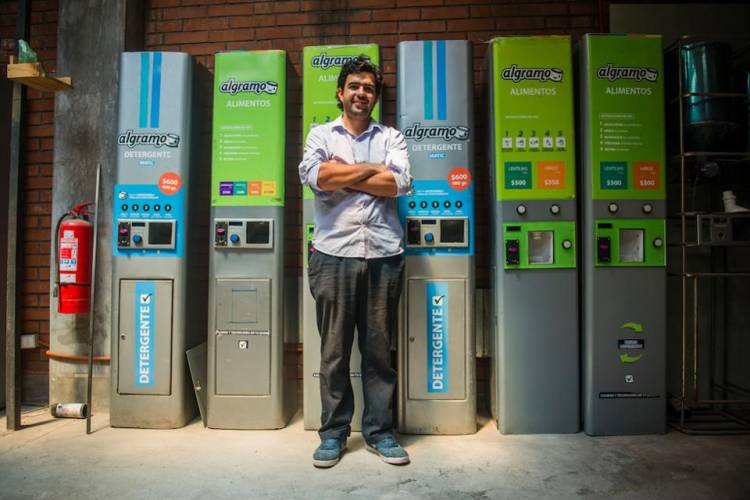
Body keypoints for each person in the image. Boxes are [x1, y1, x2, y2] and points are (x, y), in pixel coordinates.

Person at [299, 56, 413, 468]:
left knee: (378, 352)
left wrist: (344, 173)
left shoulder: (392, 137)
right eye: (354, 86)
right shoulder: (321, 134)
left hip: (384, 255)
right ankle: (333, 433)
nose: (361, 93)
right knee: (334, 352)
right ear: (340, 92)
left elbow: (399, 183)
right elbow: (317, 177)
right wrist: (371, 171)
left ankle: (380, 432)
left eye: (368, 88)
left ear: (374, 96)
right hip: (333, 255)